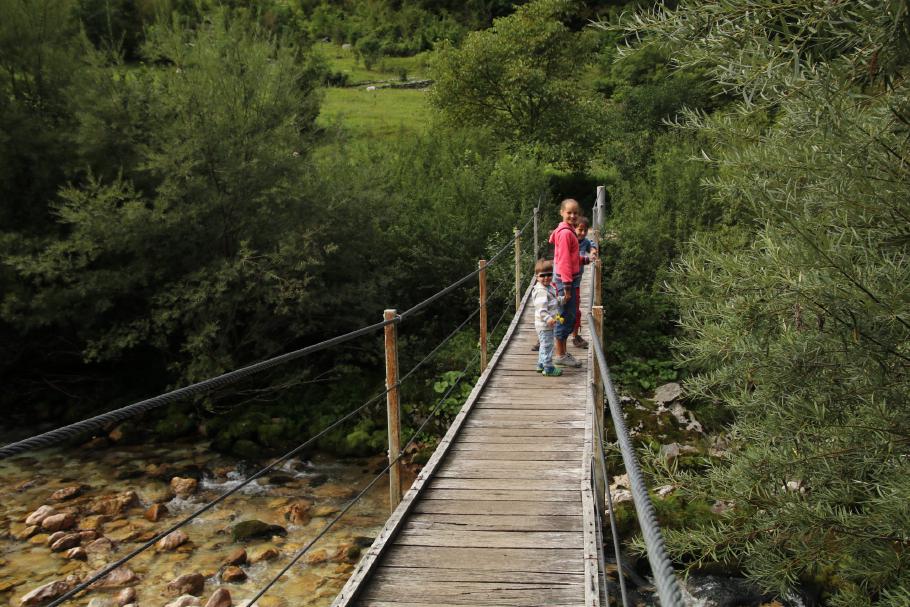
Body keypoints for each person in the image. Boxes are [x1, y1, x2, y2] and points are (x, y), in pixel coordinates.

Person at [548, 198, 582, 367]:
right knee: (565, 316)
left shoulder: (567, 231)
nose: (572, 215)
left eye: (575, 213)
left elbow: (571, 257)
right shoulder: (566, 233)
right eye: (569, 212)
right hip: (565, 282)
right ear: (561, 212)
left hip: (566, 280)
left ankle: (561, 352)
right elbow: (565, 262)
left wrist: (584, 260)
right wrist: (567, 289)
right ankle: (560, 355)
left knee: (567, 316)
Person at [571, 217, 599, 348]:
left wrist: (593, 250)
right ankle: (543, 337)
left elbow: (591, 243)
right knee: (556, 309)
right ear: (574, 229)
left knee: (576, 310)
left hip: (576, 282)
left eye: (585, 230)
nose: (582, 233)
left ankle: (575, 336)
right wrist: (587, 259)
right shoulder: (570, 240)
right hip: (562, 280)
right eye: (580, 230)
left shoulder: (584, 241)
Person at [532, 259, 562, 376]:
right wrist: (548, 318)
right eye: (542, 276)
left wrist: (562, 300)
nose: (546, 278)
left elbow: (553, 300)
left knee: (544, 345)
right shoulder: (541, 291)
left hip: (546, 325)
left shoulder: (549, 287)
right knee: (548, 346)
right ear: (536, 277)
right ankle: (548, 368)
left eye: (549, 275)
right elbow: (542, 310)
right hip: (545, 325)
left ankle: (540, 365)